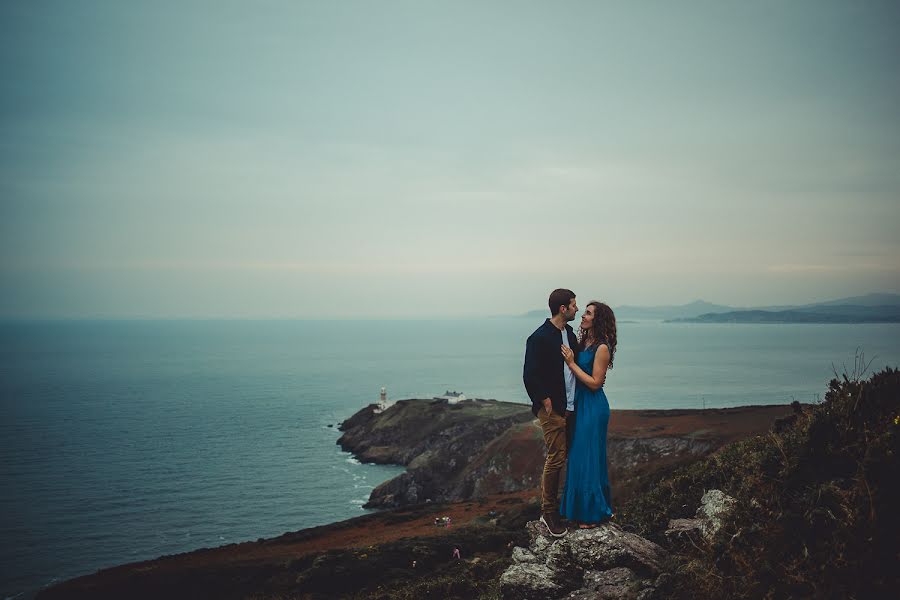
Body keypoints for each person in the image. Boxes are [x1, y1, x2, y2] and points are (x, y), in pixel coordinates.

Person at [523, 288, 579, 537]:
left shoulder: (569, 333)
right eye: (574, 305)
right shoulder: (539, 337)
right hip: (553, 409)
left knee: (568, 456)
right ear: (562, 309)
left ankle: (567, 508)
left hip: (570, 407)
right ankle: (548, 513)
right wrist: (545, 401)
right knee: (556, 458)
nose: (576, 309)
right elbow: (529, 375)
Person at [559, 301, 617, 528]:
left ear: (598, 319)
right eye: (584, 311)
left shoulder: (602, 347)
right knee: (578, 457)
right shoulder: (584, 342)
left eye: (588, 313)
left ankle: (591, 513)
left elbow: (595, 383)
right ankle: (581, 510)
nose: (583, 315)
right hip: (579, 405)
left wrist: (572, 363)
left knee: (589, 457)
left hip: (593, 407)